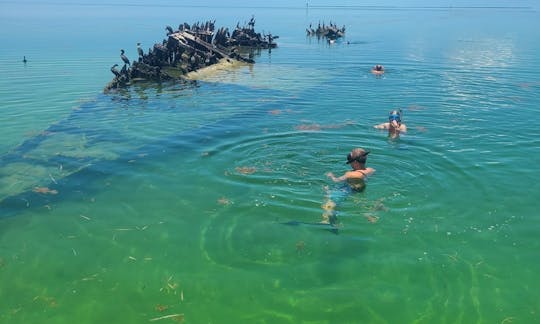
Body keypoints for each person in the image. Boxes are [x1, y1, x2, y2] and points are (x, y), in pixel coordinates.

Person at [322, 148, 375, 225]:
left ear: (356, 162)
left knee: (328, 198)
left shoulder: (350, 174)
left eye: (351, 162)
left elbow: (336, 180)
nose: (350, 164)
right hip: (359, 189)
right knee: (341, 201)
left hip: (347, 189)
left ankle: (326, 220)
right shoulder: (371, 170)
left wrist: (331, 176)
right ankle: (368, 213)